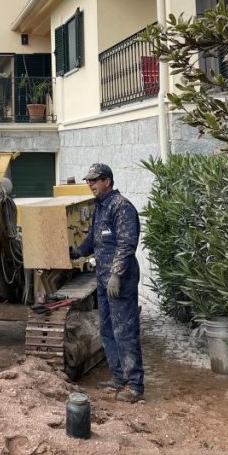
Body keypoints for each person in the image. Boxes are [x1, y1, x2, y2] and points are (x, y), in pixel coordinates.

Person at [70, 162, 144, 402]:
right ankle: (119, 378)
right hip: (102, 279)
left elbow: (126, 244)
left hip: (119, 280)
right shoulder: (100, 207)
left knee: (125, 331)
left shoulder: (121, 207)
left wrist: (116, 274)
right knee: (108, 329)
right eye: (88, 180)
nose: (90, 184)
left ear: (107, 181)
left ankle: (134, 385)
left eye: (94, 180)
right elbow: (92, 241)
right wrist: (74, 252)